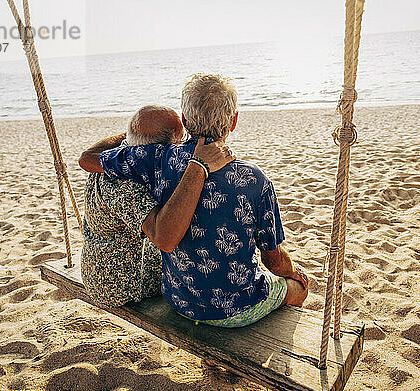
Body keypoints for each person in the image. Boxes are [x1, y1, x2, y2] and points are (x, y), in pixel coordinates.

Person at [80, 74, 308, 327]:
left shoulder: (157, 158)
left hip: (179, 299)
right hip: (236, 310)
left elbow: (91, 159)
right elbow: (273, 260)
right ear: (234, 122)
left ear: (185, 120)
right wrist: (292, 273)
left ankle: (213, 355)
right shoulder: (255, 180)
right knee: (296, 287)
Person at [78, 105, 235, 307]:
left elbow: (86, 156)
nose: (184, 146)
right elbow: (164, 239)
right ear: (156, 151)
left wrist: (136, 134)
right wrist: (198, 166)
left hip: (98, 262)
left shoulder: (115, 158)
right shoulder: (125, 184)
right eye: (180, 142)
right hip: (119, 283)